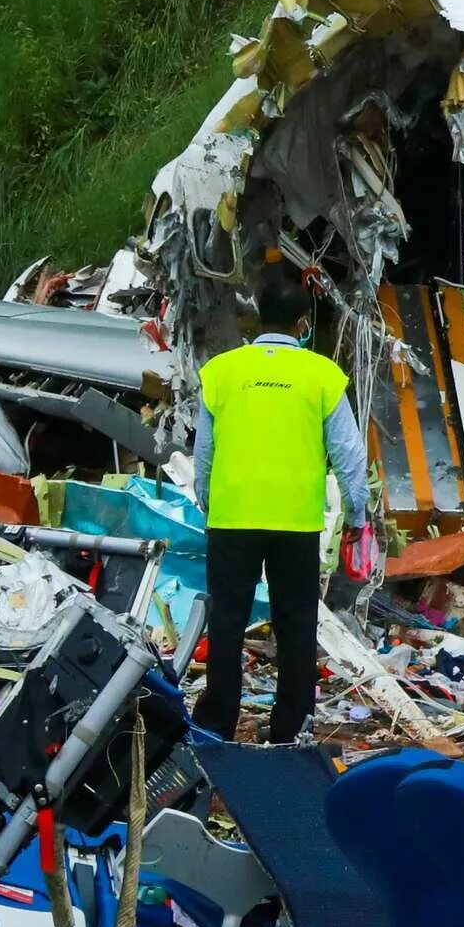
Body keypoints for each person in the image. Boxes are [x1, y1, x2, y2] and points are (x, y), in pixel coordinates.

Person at [191, 262, 371, 743]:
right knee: (295, 625)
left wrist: (209, 503)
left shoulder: (221, 372)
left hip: (233, 519)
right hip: (295, 522)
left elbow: (203, 452)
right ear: (303, 325)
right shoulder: (322, 376)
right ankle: (289, 729)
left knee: (227, 621)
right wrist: (358, 516)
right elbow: (349, 456)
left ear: (256, 321)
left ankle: (217, 724)